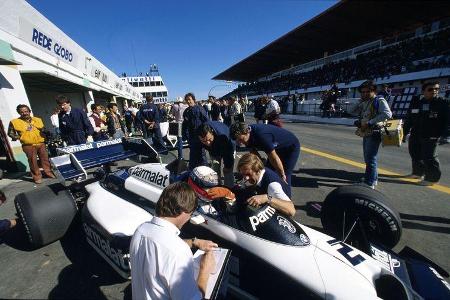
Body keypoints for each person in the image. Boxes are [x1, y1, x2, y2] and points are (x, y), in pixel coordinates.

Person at [130, 182, 217, 300]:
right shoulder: (179, 252)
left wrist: (193, 242)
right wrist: (204, 270)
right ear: (184, 211)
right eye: (191, 214)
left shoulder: (141, 230)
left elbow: (162, 249)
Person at [403, 81, 449, 185]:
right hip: (416, 133)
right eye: (430, 89)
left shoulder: (443, 103)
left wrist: (446, 135)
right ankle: (418, 173)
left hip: (432, 133)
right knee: (415, 153)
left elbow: (448, 121)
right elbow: (409, 119)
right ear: (423, 91)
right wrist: (404, 133)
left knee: (429, 156)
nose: (434, 91)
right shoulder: (417, 102)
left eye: (436, 89)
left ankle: (432, 179)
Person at [230, 122, 300, 189]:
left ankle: (286, 198)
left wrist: (281, 174)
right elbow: (254, 154)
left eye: (241, 139)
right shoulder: (247, 137)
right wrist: (259, 166)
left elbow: (273, 157)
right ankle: (267, 192)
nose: (241, 143)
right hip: (276, 148)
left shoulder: (261, 135)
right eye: (238, 141)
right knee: (268, 171)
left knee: (285, 174)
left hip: (290, 147)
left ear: (247, 132)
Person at [350, 80, 392, 189]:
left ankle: (370, 183)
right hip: (366, 132)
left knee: (370, 158)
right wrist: (359, 101)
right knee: (368, 158)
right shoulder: (365, 102)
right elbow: (351, 111)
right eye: (362, 92)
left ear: (373, 91)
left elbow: (387, 114)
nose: (364, 94)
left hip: (374, 132)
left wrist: (369, 122)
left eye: (367, 92)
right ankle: (373, 178)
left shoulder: (379, 100)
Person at [8, 104, 55, 184]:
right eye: (22, 112)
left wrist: (46, 133)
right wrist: (20, 137)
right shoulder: (15, 122)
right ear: (19, 113)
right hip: (28, 145)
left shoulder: (37, 119)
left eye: (26, 111)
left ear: (29, 111)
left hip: (41, 143)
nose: (24, 113)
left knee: (45, 159)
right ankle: (37, 177)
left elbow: (43, 129)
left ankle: (48, 173)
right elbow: (10, 133)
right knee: (33, 161)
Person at [197, 122, 236, 187]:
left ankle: (229, 189)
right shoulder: (197, 136)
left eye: (209, 139)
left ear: (212, 132)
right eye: (204, 141)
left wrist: (228, 166)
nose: (208, 143)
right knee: (215, 170)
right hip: (213, 150)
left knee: (228, 171)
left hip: (228, 146)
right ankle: (217, 187)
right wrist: (204, 166)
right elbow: (198, 154)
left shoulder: (223, 135)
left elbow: (228, 153)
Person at [182, 93, 209, 169]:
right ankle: (192, 171)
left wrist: (206, 134)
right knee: (193, 155)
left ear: (193, 100)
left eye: (189, 99)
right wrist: (185, 136)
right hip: (191, 137)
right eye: (187, 100)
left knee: (202, 155)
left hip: (201, 136)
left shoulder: (200, 108)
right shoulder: (186, 111)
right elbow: (185, 125)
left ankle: (205, 170)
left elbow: (206, 122)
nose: (188, 101)